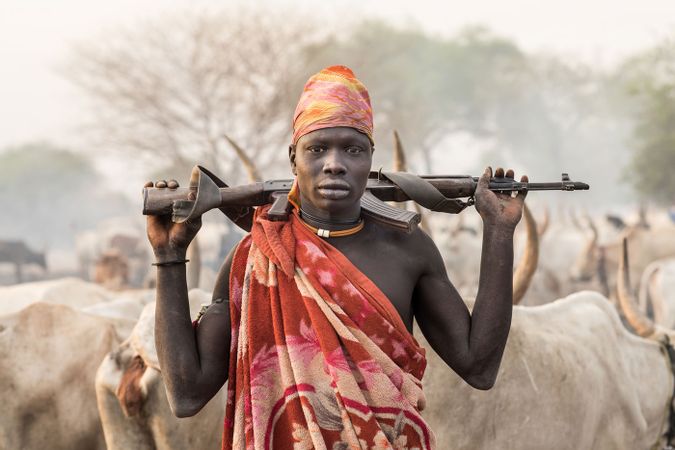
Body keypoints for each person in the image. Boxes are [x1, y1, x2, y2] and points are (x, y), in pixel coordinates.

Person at [146, 65, 527, 449]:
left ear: (370, 159)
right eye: (317, 148)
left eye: (352, 149)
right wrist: (169, 254)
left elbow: (479, 368)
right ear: (294, 159)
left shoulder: (409, 249)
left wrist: (499, 231)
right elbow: (187, 395)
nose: (334, 163)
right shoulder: (254, 257)